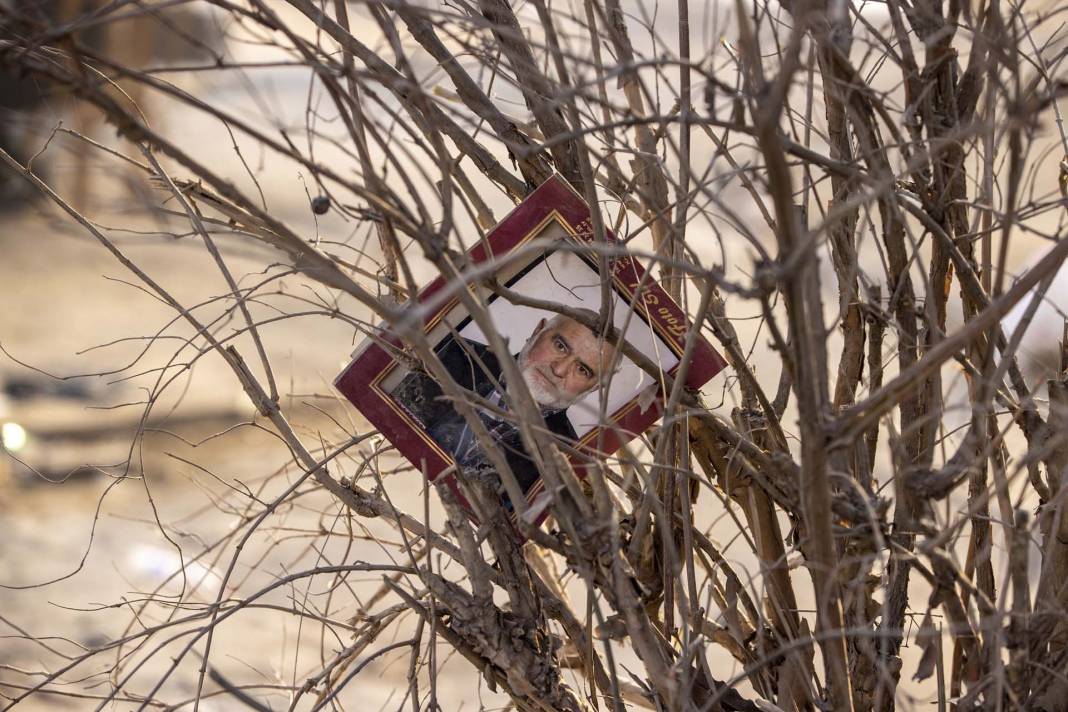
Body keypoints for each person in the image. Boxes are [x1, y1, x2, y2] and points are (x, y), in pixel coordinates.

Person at [391, 314, 612, 494]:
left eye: (582, 370)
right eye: (560, 346)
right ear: (537, 332)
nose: (559, 369)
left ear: (594, 388)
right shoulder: (449, 356)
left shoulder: (564, 465)